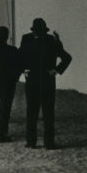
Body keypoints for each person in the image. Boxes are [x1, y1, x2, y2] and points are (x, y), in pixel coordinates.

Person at [19, 17, 72, 149]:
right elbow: (66, 58)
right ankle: (46, 143)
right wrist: (56, 70)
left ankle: (33, 142)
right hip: (46, 80)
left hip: (33, 80)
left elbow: (19, 56)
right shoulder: (51, 40)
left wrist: (23, 70)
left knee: (34, 112)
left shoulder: (28, 39)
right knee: (46, 113)